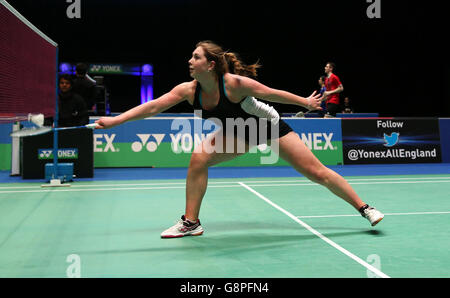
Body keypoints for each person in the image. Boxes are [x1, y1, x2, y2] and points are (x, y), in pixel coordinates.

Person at [95, 41, 384, 238]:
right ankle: (191, 223)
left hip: (267, 127)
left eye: (195, 57)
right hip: (236, 132)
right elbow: (153, 105)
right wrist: (116, 121)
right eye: (191, 56)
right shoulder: (189, 90)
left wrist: (306, 103)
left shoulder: (233, 84)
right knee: (199, 158)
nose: (189, 61)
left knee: (315, 172)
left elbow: (270, 93)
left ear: (210, 64)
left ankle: (365, 208)